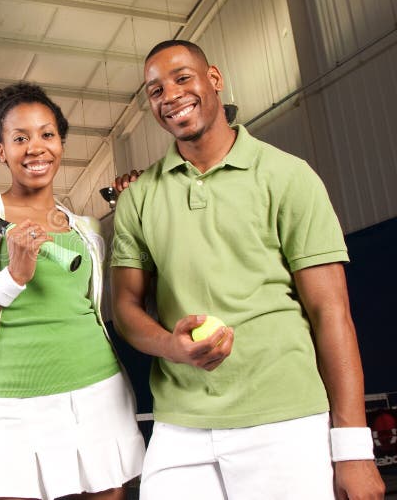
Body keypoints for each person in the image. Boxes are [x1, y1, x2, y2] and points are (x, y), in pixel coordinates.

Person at [110, 40, 385, 500]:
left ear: (213, 80)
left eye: (182, 78)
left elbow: (331, 314)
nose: (170, 95)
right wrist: (172, 348)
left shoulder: (289, 176)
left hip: (286, 420)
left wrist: (353, 448)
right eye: (155, 90)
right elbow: (125, 308)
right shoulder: (138, 197)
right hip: (180, 425)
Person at [0, 82, 145, 500]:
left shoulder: (89, 231)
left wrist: (138, 210)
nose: (36, 148)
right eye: (20, 138)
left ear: (61, 143)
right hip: (14, 411)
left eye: (47, 134)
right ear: (2, 150)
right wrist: (11, 279)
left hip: (100, 399)